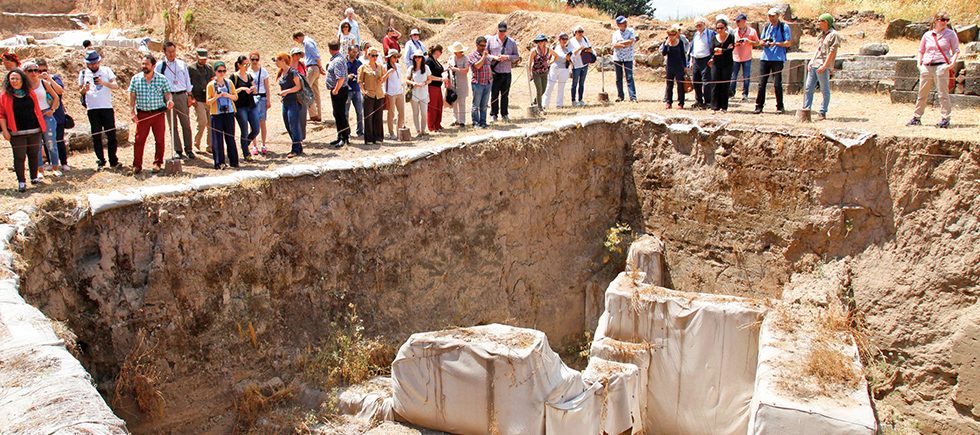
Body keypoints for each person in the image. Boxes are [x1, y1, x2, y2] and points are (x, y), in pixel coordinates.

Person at [907, 11, 959, 128]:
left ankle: (945, 118)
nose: (945, 22)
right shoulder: (927, 35)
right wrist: (919, 64)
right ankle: (917, 117)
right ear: (935, 21)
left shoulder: (950, 34)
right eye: (943, 20)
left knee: (943, 94)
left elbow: (956, 50)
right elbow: (921, 50)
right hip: (927, 65)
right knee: (922, 93)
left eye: (947, 20)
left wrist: (952, 64)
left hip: (941, 65)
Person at [128, 54, 174, 174]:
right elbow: (132, 95)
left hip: (157, 114)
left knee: (159, 139)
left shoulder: (161, 79)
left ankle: (158, 163)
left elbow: (167, 93)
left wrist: (169, 100)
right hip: (142, 114)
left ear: (153, 66)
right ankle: (137, 165)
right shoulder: (136, 79)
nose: (144, 66)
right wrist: (132, 111)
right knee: (139, 140)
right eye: (143, 64)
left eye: (147, 64)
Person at [0, 68, 44, 192]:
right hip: (16, 132)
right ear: (9, 80)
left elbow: (36, 109)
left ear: (22, 80)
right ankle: (21, 181)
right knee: (19, 157)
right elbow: (1, 114)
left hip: (34, 129)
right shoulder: (4, 95)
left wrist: (41, 126)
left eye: (17, 78)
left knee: (34, 154)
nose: (14, 81)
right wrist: (5, 131)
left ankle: (34, 177)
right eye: (12, 78)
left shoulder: (29, 92)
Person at [78, 50, 120, 169]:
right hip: (92, 108)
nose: (93, 66)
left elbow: (116, 86)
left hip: (106, 107)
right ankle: (100, 160)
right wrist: (84, 90)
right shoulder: (83, 73)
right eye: (90, 64)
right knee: (96, 136)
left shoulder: (106, 70)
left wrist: (104, 83)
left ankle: (113, 159)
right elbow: (80, 91)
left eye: (95, 63)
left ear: (99, 62)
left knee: (111, 135)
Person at [158, 41, 195, 159]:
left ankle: (189, 149)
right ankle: (178, 150)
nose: (171, 54)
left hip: (181, 95)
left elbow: (187, 80)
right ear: (164, 52)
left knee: (186, 124)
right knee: (172, 125)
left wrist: (190, 95)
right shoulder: (160, 65)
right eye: (168, 52)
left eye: (173, 51)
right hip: (168, 96)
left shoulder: (181, 64)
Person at [23, 61, 61, 174]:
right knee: (36, 145)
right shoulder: (24, 86)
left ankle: (55, 167)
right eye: (30, 70)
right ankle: (39, 170)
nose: (34, 73)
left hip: (45, 114)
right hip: (32, 116)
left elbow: (56, 97)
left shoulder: (43, 83)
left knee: (51, 143)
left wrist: (52, 110)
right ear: (25, 72)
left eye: (36, 70)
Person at [753, 8, 792, 114]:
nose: (771, 18)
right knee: (761, 84)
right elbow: (761, 41)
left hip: (777, 58)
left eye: (773, 16)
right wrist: (764, 42)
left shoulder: (784, 27)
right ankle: (759, 106)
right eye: (769, 16)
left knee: (777, 84)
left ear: (778, 15)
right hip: (765, 57)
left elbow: (788, 43)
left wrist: (776, 43)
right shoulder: (767, 27)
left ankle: (780, 106)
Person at [802, 14, 840, 120]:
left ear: (826, 22)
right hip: (815, 64)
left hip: (823, 65)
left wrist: (825, 66)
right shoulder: (821, 35)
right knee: (808, 88)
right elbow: (818, 49)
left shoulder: (834, 35)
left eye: (819, 21)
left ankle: (823, 112)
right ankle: (807, 109)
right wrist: (811, 61)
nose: (817, 23)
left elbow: (832, 52)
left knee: (824, 89)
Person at [35, 59, 69, 171]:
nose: (41, 73)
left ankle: (63, 162)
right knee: (46, 140)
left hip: (57, 112)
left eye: (44, 70)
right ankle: (50, 161)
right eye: (38, 70)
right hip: (43, 112)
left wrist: (49, 79)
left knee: (59, 138)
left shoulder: (54, 78)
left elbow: (60, 91)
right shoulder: (35, 83)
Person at [205, 61, 239, 169]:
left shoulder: (229, 82)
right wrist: (216, 96)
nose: (222, 73)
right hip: (217, 114)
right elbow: (208, 101)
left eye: (224, 71)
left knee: (230, 137)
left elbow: (235, 97)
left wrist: (227, 95)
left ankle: (234, 161)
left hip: (228, 112)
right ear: (215, 71)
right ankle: (219, 163)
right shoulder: (211, 85)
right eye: (219, 71)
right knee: (217, 139)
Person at [488, 22, 519, 121]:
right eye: (500, 31)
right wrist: (495, 58)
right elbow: (486, 54)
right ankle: (494, 114)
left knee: (505, 95)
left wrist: (507, 57)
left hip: (506, 72)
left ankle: (504, 114)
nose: (502, 33)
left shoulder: (512, 41)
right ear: (497, 30)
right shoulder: (490, 40)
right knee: (494, 94)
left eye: (504, 31)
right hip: (495, 72)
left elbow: (516, 56)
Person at [231, 56, 259, 162]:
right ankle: (246, 153)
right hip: (240, 106)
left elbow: (254, 90)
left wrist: (253, 89)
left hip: (251, 105)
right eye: (245, 64)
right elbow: (232, 92)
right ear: (239, 65)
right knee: (244, 129)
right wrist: (242, 89)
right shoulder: (234, 77)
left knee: (256, 129)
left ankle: (245, 144)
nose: (247, 67)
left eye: (248, 64)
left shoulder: (249, 75)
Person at [276, 52, 304, 157]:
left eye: (277, 60)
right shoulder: (281, 73)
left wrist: (286, 92)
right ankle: (298, 146)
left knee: (294, 124)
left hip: (294, 101)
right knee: (287, 124)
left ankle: (295, 149)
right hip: (286, 101)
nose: (276, 63)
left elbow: (298, 86)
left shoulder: (292, 72)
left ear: (282, 60)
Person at [294, 31, 325, 122]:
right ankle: (317, 115)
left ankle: (313, 114)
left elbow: (316, 55)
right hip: (314, 67)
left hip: (312, 67)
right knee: (315, 91)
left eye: (297, 40)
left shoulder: (307, 42)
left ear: (298, 37)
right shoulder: (309, 41)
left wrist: (320, 66)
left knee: (306, 90)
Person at [188, 49, 214, 154]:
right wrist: (191, 97)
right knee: (202, 121)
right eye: (201, 59)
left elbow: (213, 81)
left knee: (211, 124)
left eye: (205, 59)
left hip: (208, 99)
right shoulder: (191, 68)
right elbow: (188, 83)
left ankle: (210, 146)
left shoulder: (209, 68)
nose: (203, 61)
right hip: (198, 99)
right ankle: (196, 143)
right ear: (196, 57)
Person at [358, 47, 386, 144]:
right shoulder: (363, 67)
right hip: (369, 93)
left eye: (376, 55)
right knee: (368, 117)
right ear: (368, 56)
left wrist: (382, 79)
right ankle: (369, 138)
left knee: (378, 116)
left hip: (379, 94)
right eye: (373, 55)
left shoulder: (379, 66)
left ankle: (378, 137)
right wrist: (363, 91)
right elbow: (360, 80)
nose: (375, 57)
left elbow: (384, 77)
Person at [325, 40, 350, 148]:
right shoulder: (337, 59)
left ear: (330, 49)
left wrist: (336, 89)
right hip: (338, 89)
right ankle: (340, 135)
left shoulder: (337, 61)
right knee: (337, 113)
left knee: (340, 114)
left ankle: (344, 137)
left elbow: (341, 78)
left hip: (339, 90)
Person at [660, 24, 690, 109]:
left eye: (673, 34)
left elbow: (682, 55)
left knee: (680, 85)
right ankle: (669, 102)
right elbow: (664, 53)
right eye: (670, 34)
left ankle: (681, 103)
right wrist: (666, 45)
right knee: (669, 85)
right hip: (670, 66)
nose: (671, 36)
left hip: (679, 66)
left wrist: (685, 66)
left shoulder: (680, 43)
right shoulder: (666, 42)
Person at [688, 17, 715, 110]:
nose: (698, 27)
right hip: (696, 59)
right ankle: (698, 100)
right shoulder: (696, 34)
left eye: (700, 25)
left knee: (706, 81)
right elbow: (692, 48)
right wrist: (691, 60)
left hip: (706, 59)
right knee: (696, 81)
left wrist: (712, 58)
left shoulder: (710, 34)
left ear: (704, 24)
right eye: (696, 25)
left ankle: (708, 101)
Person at [730, 14, 759, 101]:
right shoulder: (734, 32)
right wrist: (735, 43)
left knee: (746, 76)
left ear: (744, 21)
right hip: (735, 57)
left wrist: (749, 41)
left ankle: (745, 94)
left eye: (738, 21)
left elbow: (758, 43)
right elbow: (730, 44)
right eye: (736, 21)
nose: (737, 23)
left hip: (747, 57)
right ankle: (731, 94)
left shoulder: (752, 31)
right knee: (733, 76)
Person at [710, 19, 735, 113]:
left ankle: (724, 107)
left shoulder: (731, 37)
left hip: (727, 64)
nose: (719, 30)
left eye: (721, 28)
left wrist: (719, 50)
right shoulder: (714, 38)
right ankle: (714, 106)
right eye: (717, 28)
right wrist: (723, 50)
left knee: (725, 84)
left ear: (725, 28)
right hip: (716, 63)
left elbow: (731, 50)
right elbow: (711, 51)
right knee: (715, 84)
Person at [248, 52, 271, 155]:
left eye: (256, 59)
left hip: (261, 97)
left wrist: (268, 100)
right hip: (252, 97)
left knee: (262, 121)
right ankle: (254, 145)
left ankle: (263, 144)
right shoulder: (248, 71)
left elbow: (267, 86)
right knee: (253, 122)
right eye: (252, 59)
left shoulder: (263, 71)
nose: (254, 62)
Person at [527, 34, 556, 113]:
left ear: (544, 42)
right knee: (539, 90)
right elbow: (529, 63)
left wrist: (550, 62)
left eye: (541, 41)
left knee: (544, 89)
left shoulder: (547, 49)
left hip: (545, 72)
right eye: (538, 41)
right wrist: (530, 74)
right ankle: (540, 108)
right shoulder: (534, 51)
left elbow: (556, 56)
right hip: (536, 72)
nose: (540, 43)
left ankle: (535, 101)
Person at [543, 33, 572, 109]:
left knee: (561, 87)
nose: (565, 41)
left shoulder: (568, 50)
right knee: (549, 86)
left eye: (566, 39)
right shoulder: (554, 47)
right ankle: (545, 104)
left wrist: (568, 58)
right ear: (559, 40)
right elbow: (549, 56)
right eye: (563, 39)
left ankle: (559, 104)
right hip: (554, 68)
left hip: (564, 69)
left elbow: (570, 61)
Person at [612, 15, 637, 103]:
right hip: (618, 58)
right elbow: (614, 44)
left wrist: (620, 44)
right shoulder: (615, 33)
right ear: (619, 25)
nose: (625, 24)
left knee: (629, 77)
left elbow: (631, 41)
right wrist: (624, 44)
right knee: (619, 77)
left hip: (628, 57)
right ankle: (620, 96)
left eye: (625, 22)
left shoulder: (631, 31)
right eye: (623, 23)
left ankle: (632, 96)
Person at [469, 36, 492, 128]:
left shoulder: (486, 55)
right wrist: (483, 57)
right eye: (482, 45)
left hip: (487, 82)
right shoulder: (472, 55)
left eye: (485, 46)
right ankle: (475, 122)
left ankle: (483, 122)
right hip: (478, 83)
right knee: (476, 105)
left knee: (484, 104)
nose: (483, 47)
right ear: (477, 45)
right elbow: (477, 66)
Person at [407, 52, 432, 137]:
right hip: (414, 93)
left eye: (419, 57)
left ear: (422, 58)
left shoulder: (426, 68)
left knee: (424, 113)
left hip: (424, 93)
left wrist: (424, 83)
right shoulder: (411, 68)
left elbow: (430, 79)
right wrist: (414, 83)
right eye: (416, 57)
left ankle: (423, 130)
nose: (417, 59)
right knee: (415, 113)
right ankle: (418, 130)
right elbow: (407, 79)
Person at [383, 49, 406, 140]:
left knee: (401, 112)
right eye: (394, 57)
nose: (395, 58)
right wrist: (388, 72)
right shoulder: (385, 67)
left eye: (397, 57)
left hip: (399, 92)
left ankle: (399, 131)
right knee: (391, 113)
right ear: (389, 58)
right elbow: (383, 80)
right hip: (390, 93)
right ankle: (391, 132)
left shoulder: (398, 66)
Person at [568, 25, 593, 107]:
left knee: (582, 83)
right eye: (579, 32)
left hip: (584, 63)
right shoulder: (571, 41)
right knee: (574, 83)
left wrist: (588, 50)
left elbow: (590, 48)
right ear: (575, 33)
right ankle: (573, 100)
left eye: (582, 32)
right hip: (576, 64)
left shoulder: (585, 39)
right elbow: (571, 53)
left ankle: (580, 99)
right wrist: (579, 49)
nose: (580, 33)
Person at [446, 41, 470, 127]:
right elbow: (447, 67)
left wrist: (458, 69)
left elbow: (466, 70)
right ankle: (455, 119)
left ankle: (462, 121)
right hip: (453, 83)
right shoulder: (451, 58)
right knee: (454, 102)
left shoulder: (465, 59)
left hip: (462, 83)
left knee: (462, 102)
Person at [289, 47, 309, 139]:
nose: (298, 56)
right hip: (291, 93)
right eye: (296, 54)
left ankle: (302, 137)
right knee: (293, 117)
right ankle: (296, 137)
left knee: (302, 116)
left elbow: (306, 78)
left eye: (299, 54)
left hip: (302, 93)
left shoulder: (302, 65)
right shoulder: (288, 66)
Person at [426, 44, 446, 132]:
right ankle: (431, 125)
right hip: (432, 86)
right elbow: (429, 75)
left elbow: (438, 71)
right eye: (441, 52)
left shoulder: (436, 61)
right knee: (433, 106)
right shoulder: (429, 61)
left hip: (438, 86)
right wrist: (440, 79)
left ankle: (437, 124)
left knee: (439, 104)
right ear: (437, 51)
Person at [346, 45, 364, 137]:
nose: (355, 54)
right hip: (347, 90)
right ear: (348, 52)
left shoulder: (359, 63)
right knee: (346, 112)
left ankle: (360, 131)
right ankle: (347, 132)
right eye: (353, 51)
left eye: (356, 52)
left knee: (360, 112)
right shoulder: (344, 62)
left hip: (357, 89)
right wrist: (347, 77)